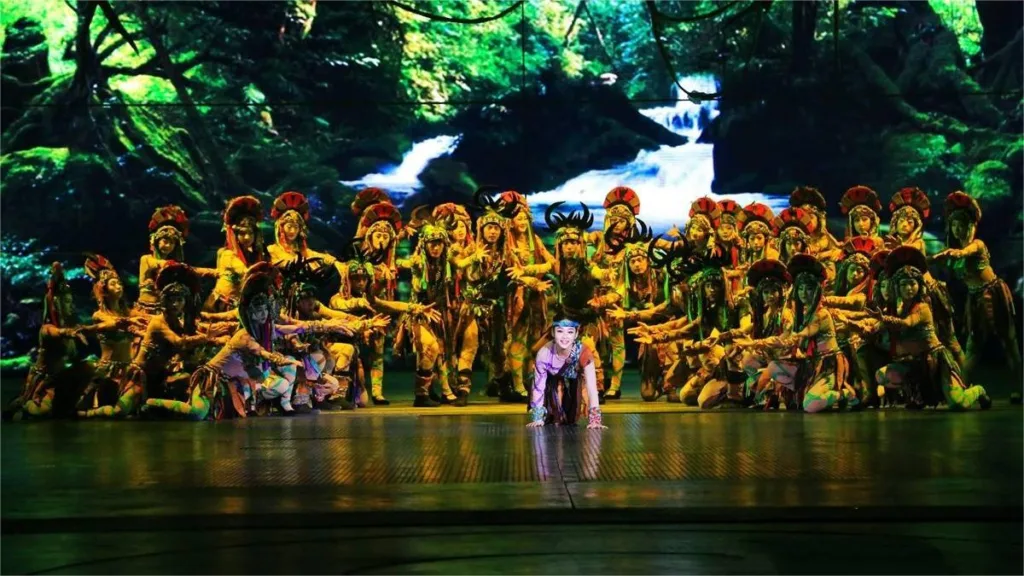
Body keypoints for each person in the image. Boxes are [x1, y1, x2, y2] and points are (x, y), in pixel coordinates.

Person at [527, 316, 606, 429]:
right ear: (553, 333)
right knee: (552, 417)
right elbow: (539, 386)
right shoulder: (544, 353)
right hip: (551, 381)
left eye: (570, 332)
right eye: (560, 331)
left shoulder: (584, 353)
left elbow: (591, 387)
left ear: (576, 334)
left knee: (571, 418)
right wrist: (537, 419)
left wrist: (595, 420)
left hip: (573, 379)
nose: (564, 336)